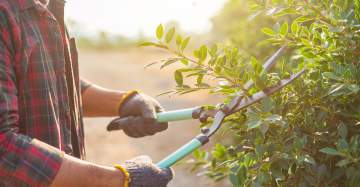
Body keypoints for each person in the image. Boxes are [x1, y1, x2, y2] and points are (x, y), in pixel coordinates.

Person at [0, 0, 173, 186]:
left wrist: (124, 102)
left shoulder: (48, 8)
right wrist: (116, 179)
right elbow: (3, 146)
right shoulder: (5, 13)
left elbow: (54, 82)